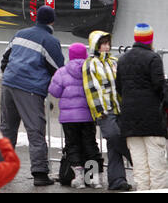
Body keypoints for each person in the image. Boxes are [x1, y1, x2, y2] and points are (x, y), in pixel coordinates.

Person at [0, 5, 64, 186]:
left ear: (36, 18)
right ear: (52, 21)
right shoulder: (50, 41)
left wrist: (9, 76)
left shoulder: (19, 33)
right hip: (30, 89)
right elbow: (58, 70)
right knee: (35, 130)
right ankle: (40, 173)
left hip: (8, 84)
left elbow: (5, 58)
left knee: (7, 129)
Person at [116, 23, 168, 191]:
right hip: (152, 120)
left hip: (130, 120)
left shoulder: (123, 59)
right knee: (157, 166)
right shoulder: (153, 58)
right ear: (150, 39)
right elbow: (159, 87)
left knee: (139, 166)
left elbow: (119, 88)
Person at [48, 43, 104, 189]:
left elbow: (54, 92)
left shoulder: (62, 72)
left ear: (70, 55)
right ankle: (93, 178)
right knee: (90, 145)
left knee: (72, 145)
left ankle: (78, 178)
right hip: (87, 116)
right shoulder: (91, 71)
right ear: (85, 55)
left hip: (69, 118)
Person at [82, 30, 132, 191]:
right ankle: (137, 160)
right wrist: (99, 111)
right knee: (115, 137)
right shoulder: (91, 63)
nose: (106, 46)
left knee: (113, 145)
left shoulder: (113, 61)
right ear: (95, 46)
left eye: (108, 43)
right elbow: (91, 89)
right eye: (103, 43)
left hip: (119, 108)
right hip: (104, 110)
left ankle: (117, 180)